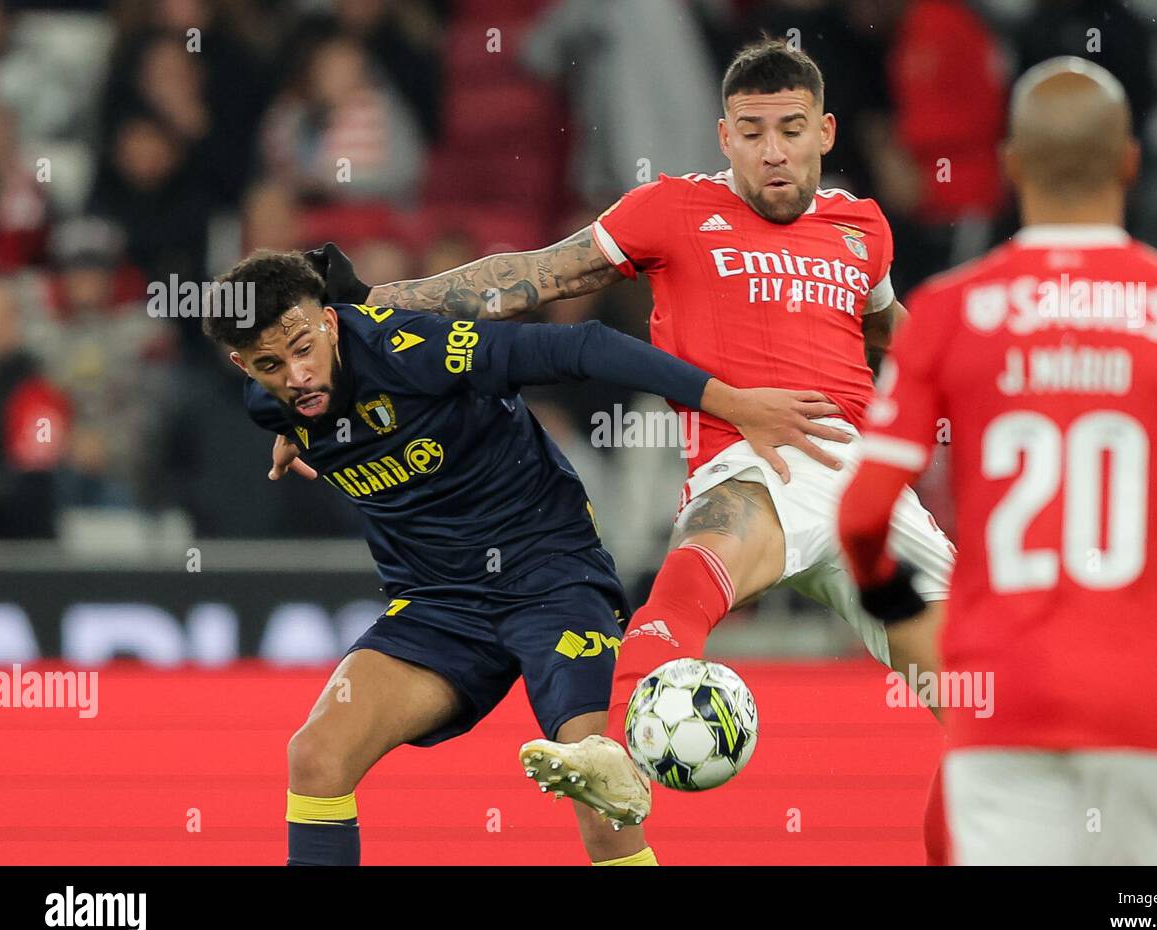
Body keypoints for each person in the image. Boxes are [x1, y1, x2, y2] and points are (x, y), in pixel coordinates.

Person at [296, 38, 957, 831]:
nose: (772, 152)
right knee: (676, 604)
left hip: (868, 492)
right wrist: (376, 302)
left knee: (990, 721)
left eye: (790, 128)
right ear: (724, 137)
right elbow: (535, 276)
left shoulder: (863, 228)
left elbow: (889, 330)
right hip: (756, 464)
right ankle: (610, 762)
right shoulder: (673, 209)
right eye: (752, 132)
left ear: (826, 131)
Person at [205, 249, 843, 865]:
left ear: (331, 320)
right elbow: (309, 404)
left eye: (304, 349)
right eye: (269, 365)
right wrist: (298, 434)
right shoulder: (273, 405)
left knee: (604, 803)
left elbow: (582, 346)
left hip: (552, 583)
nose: (296, 376)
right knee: (316, 756)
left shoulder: (416, 350)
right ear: (243, 365)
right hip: (437, 609)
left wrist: (732, 403)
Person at [837, 57, 1157, 864]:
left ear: (1011, 162)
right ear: (1130, 161)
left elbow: (863, 513)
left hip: (997, 704)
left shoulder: (947, 312)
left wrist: (893, 598)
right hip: (1149, 711)